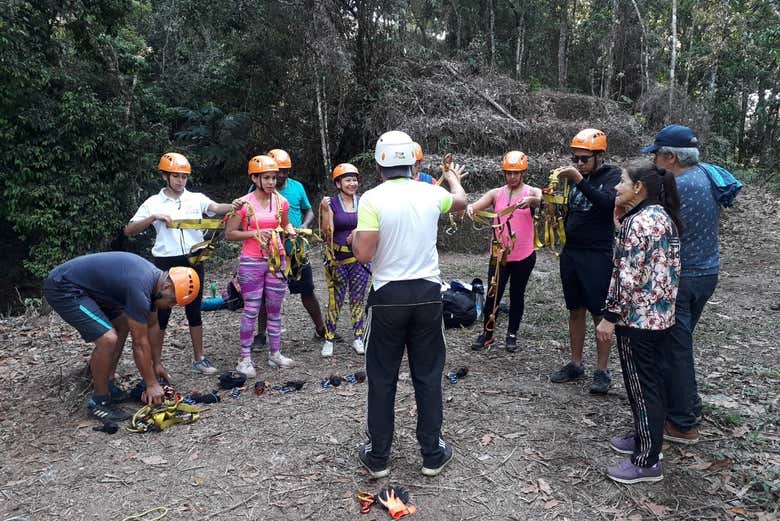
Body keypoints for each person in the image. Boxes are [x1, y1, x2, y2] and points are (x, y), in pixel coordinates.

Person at [353, 130, 467, 478]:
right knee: (428, 375)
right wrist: (452, 179)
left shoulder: (371, 199)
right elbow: (461, 202)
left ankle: (379, 457)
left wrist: (353, 238)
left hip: (388, 297)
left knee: (383, 377)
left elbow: (364, 253)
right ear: (414, 162)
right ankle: (432, 453)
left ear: (378, 165)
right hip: (428, 295)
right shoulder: (433, 193)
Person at [596, 161, 682, 484]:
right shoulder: (661, 216)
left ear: (638, 188)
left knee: (640, 385)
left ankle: (647, 460)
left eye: (621, 182)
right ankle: (646, 437)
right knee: (652, 382)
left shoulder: (638, 223)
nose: (616, 187)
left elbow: (627, 276)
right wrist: (621, 229)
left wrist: (609, 317)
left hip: (638, 320)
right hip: (661, 317)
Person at [43, 252, 200, 421]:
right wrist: (151, 384)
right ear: (167, 287)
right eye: (172, 301)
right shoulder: (140, 287)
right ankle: (99, 401)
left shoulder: (155, 285)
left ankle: (107, 382)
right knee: (108, 339)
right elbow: (139, 343)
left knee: (123, 323)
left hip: (92, 290)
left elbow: (152, 325)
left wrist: (157, 364)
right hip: (63, 287)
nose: (171, 306)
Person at [125, 152, 241, 375]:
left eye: (184, 177)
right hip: (165, 263)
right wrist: (153, 218)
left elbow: (216, 208)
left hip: (193, 258)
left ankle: (199, 358)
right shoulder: (153, 202)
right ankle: (156, 363)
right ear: (165, 177)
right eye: (176, 176)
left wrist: (235, 205)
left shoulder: (196, 198)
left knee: (194, 308)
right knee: (161, 313)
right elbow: (129, 230)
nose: (180, 181)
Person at [642, 124, 721, 444]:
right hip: (706, 273)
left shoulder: (675, 184)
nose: (654, 164)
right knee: (679, 344)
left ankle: (683, 424)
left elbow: (651, 228)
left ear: (671, 157)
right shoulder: (706, 175)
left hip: (683, 277)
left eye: (657, 157)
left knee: (675, 350)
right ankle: (687, 407)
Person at [549, 128, 621, 394]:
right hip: (572, 252)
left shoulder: (612, 176)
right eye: (575, 158)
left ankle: (602, 370)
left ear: (599, 156)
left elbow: (607, 205)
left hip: (597, 254)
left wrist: (579, 179)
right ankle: (576, 363)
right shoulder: (574, 179)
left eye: (584, 159)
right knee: (575, 309)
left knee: (599, 313)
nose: (578, 163)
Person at [226, 155, 296, 375]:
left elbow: (285, 224)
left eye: (274, 178)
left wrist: (291, 230)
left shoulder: (281, 202)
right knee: (252, 309)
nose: (271, 182)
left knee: (275, 309)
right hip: (251, 260)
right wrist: (254, 233)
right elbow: (230, 233)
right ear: (255, 178)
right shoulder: (244, 203)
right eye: (266, 178)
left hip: (276, 258)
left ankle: (275, 353)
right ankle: (245, 358)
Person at [252, 148, 328, 349]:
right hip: (271, 251)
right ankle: (261, 334)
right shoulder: (259, 192)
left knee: (307, 290)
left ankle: (321, 328)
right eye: (278, 171)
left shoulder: (296, 187)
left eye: (285, 171)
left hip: (296, 249)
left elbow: (308, 209)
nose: (282, 175)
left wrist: (304, 225)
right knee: (265, 295)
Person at [467, 151, 542, 352]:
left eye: (516, 173)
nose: (512, 177)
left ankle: (512, 334)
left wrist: (532, 201)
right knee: (493, 294)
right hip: (499, 255)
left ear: (523, 172)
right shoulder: (496, 193)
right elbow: (476, 206)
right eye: (509, 173)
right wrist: (469, 209)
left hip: (524, 255)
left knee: (517, 294)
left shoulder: (531, 192)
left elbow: (540, 199)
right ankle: (487, 333)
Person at [319, 163, 371, 357]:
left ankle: (358, 336)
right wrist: (325, 211)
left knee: (357, 298)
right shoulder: (331, 203)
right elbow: (327, 231)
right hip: (338, 259)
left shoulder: (364, 202)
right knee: (336, 300)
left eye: (354, 179)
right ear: (338, 183)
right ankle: (329, 338)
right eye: (347, 180)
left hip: (359, 259)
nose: (352, 183)